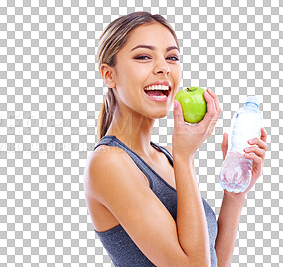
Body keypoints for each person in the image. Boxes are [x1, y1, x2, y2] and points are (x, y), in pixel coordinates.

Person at [83, 11, 267, 267]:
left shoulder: (167, 156)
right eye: (143, 56)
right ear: (108, 75)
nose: (163, 68)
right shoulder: (108, 163)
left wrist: (234, 194)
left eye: (172, 57)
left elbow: (213, 261)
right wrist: (185, 157)